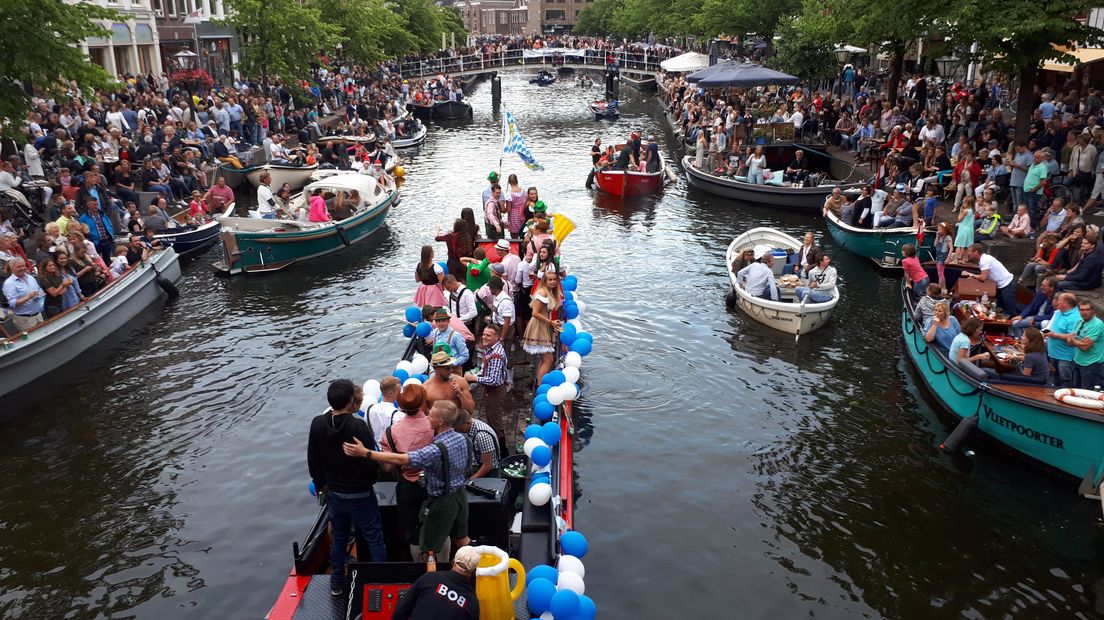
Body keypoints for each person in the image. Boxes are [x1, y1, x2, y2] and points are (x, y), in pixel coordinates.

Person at [344, 400, 472, 562]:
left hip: (442, 502)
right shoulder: (463, 439)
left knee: (428, 547)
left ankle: (431, 580)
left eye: (430, 415)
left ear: (440, 421)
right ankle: (477, 569)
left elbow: (403, 459)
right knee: (461, 539)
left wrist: (366, 453)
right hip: (460, 496)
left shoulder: (436, 450)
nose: (427, 418)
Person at [307, 379, 387, 596]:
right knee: (374, 537)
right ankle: (381, 582)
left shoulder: (317, 423)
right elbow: (370, 461)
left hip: (334, 494)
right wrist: (370, 481)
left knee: (340, 536)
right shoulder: (357, 426)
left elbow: (313, 460)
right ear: (352, 401)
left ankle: (336, 582)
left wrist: (322, 486)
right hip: (360, 493)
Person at [378, 383, 435, 559]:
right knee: (439, 528)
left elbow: (387, 466)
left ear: (400, 406)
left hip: (407, 489)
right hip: (435, 484)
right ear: (424, 401)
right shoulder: (435, 425)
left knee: (414, 535)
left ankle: (420, 569)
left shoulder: (390, 432)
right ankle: (442, 568)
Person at [390, 545, 480, 620]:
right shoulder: (472, 603)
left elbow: (400, 612)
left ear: (453, 561)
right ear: (474, 571)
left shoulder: (429, 578)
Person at [465, 323, 509, 444]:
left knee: (495, 421)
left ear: (496, 338)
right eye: (484, 334)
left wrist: (474, 378)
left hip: (495, 391)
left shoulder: (496, 355)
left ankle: (502, 450)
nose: (484, 337)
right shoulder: (491, 349)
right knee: (491, 417)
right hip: (491, 390)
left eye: (488, 335)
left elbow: (494, 380)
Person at [521, 269, 564, 386]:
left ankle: (538, 381)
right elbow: (534, 313)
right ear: (545, 281)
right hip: (539, 325)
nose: (553, 282)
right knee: (549, 359)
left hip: (545, 324)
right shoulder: (543, 293)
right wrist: (551, 322)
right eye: (550, 280)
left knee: (544, 358)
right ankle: (541, 384)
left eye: (555, 279)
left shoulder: (549, 292)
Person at [963, 244, 1017, 314]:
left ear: (976, 252)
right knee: (1000, 309)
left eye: (969, 251)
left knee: (1009, 311)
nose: (968, 253)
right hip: (1001, 286)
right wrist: (974, 277)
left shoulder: (984, 260)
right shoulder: (983, 259)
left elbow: (983, 277)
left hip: (1007, 285)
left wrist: (970, 274)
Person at [1043, 292, 1081, 388]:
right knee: (1054, 376)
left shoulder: (1076, 318)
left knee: (1065, 379)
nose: (1056, 302)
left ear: (1065, 303)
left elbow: (1073, 336)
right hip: (1053, 353)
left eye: (1058, 300)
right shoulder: (1059, 312)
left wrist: (1055, 335)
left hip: (1065, 356)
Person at [1066, 301, 1104, 389]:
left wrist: (1074, 340)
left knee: (1087, 393)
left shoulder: (1097, 324)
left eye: (1087, 309)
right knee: (1076, 389)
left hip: (1092, 365)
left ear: (1092, 310)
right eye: (1082, 310)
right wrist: (1079, 341)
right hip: (1078, 361)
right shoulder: (1080, 322)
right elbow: (1068, 341)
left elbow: (1085, 347)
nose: (1084, 312)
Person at [455, 410, 500, 480]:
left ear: (468, 423)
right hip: (477, 462)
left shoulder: (482, 436)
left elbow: (487, 465)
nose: (458, 432)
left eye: (460, 429)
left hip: (489, 473)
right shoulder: (470, 425)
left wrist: (470, 480)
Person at [3, 257, 45, 331]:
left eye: (23, 266)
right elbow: (12, 304)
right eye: (19, 267)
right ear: (12, 269)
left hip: (38, 315)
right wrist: (28, 297)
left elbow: (40, 290)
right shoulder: (9, 284)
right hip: (25, 320)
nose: (22, 268)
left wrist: (39, 295)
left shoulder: (30, 278)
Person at [365, 376, 401, 445]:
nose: (401, 392)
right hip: (390, 453)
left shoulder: (369, 409)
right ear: (390, 393)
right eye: (399, 390)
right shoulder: (397, 415)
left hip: (374, 450)